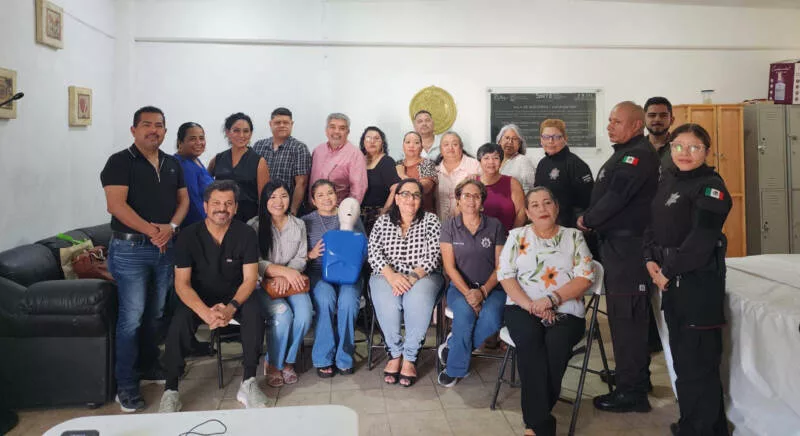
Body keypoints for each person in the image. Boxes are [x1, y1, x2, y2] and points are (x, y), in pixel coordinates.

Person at [643, 123, 731, 436]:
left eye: (694, 147)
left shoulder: (712, 187)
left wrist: (667, 270)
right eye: (678, 146)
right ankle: (694, 424)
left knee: (700, 365)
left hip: (697, 287)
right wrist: (650, 261)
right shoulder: (668, 181)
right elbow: (652, 226)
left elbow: (701, 240)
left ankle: (706, 429)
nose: (684, 153)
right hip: (670, 283)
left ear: (706, 152)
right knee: (682, 361)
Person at [101, 106, 189, 412]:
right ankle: (126, 384)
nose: (154, 130)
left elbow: (184, 200)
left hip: (164, 248)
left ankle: (151, 366)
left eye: (159, 125)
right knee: (132, 317)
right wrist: (154, 230)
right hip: (130, 251)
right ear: (134, 129)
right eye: (147, 125)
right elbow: (116, 205)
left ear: (165, 131)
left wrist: (172, 227)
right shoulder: (119, 162)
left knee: (157, 313)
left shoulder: (171, 163)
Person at [578, 101, 660, 413]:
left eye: (617, 121)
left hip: (629, 250)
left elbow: (616, 198)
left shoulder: (636, 156)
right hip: (617, 247)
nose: (610, 126)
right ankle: (633, 376)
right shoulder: (626, 152)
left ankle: (632, 392)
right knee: (624, 318)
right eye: (609, 120)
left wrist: (588, 219)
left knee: (628, 320)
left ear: (637, 125)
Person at [158, 180, 268, 412]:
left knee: (255, 312)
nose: (222, 208)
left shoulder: (245, 233)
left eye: (228, 203)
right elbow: (182, 284)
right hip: (198, 298)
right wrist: (205, 313)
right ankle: (171, 389)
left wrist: (231, 307)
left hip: (235, 295)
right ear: (206, 206)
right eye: (216, 203)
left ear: (236, 207)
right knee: (178, 321)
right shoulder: (188, 236)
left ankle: (248, 381)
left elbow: (250, 280)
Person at [498, 187, 596, 436]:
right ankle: (541, 424)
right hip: (522, 306)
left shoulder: (574, 236)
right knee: (530, 340)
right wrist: (533, 305)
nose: (542, 209)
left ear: (556, 207)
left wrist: (551, 299)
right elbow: (506, 276)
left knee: (556, 343)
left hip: (566, 308)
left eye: (547, 203)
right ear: (528, 212)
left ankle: (535, 424)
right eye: (535, 205)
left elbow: (585, 277)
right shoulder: (516, 236)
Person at [368, 179, 444, 387]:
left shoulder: (431, 220)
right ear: (397, 198)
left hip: (423, 275)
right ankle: (394, 353)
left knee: (416, 300)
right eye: (405, 194)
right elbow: (373, 252)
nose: (410, 199)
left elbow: (434, 255)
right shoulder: (383, 221)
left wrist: (411, 278)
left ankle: (410, 356)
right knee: (389, 302)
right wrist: (391, 276)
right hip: (386, 274)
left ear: (421, 199)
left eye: (416, 195)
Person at [437, 179, 507, 387]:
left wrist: (483, 291)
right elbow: (449, 267)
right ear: (458, 200)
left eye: (476, 196)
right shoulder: (449, 227)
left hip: (492, 287)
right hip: (460, 288)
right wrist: (469, 293)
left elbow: (500, 266)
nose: (471, 200)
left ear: (482, 202)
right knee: (465, 316)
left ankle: (453, 348)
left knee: (493, 318)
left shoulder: (495, 226)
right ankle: (455, 369)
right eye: (466, 195)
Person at [249, 181, 313, 387]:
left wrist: (286, 276)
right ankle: (273, 364)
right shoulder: (254, 226)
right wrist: (278, 273)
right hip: (263, 285)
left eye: (284, 196)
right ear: (265, 200)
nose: (279, 201)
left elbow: (302, 257)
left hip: (291, 282)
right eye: (273, 196)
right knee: (283, 315)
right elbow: (254, 261)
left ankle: (287, 361)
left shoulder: (299, 225)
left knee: (304, 315)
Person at [301, 179, 366, 377]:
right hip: (319, 274)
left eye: (329, 193)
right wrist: (310, 255)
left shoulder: (350, 214)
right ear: (313, 200)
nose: (326, 198)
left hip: (350, 274)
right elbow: (297, 255)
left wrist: (354, 256)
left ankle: (344, 355)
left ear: (336, 195)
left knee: (347, 302)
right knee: (325, 299)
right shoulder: (306, 221)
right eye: (320, 195)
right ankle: (323, 356)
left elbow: (365, 248)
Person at [209, 112, 270, 222]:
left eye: (246, 131)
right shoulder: (218, 159)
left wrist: (262, 224)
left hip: (248, 222)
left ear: (250, 133)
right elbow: (206, 188)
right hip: (220, 220)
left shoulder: (259, 162)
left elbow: (264, 200)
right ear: (228, 132)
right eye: (236, 130)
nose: (241, 135)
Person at [533, 119, 594, 228]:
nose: (550, 141)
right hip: (544, 225)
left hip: (569, 227)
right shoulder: (542, 163)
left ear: (565, 138)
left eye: (556, 137)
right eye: (546, 137)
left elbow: (587, 202)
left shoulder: (577, 165)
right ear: (541, 140)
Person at [252, 107, 312, 216]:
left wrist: (292, 212)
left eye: (285, 122)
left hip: (285, 208)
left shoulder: (299, 148)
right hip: (260, 208)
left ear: (291, 124)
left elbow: (301, 183)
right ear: (270, 124)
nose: (282, 125)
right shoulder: (258, 146)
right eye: (277, 122)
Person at [309, 113, 367, 204]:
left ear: (348, 132)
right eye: (332, 127)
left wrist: (346, 213)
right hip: (313, 210)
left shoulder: (355, 154)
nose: (336, 131)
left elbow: (358, 190)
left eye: (342, 128)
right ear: (326, 130)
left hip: (338, 212)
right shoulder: (317, 151)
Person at [476, 142, 526, 231]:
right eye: (486, 158)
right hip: (478, 239)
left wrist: (512, 236)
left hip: (507, 238)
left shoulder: (512, 183)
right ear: (480, 162)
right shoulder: (472, 184)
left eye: (495, 158)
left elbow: (521, 212)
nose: (491, 162)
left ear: (501, 161)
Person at [360, 126, 400, 234]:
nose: (372, 141)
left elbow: (395, 188)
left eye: (376, 138)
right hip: (357, 216)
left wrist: (385, 211)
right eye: (368, 138)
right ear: (363, 142)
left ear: (382, 143)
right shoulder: (358, 161)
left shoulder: (386, 161)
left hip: (379, 216)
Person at [174, 122, 214, 228]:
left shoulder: (195, 160)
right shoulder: (183, 165)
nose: (199, 142)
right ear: (180, 142)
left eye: (201, 138)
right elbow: (193, 202)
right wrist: (211, 226)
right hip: (197, 227)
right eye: (192, 139)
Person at [436, 131, 481, 222]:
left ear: (461, 146)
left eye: (455, 144)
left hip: (469, 223)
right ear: (441, 149)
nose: (450, 148)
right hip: (441, 225)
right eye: (446, 145)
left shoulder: (474, 165)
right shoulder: (435, 170)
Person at [396, 131, 437, 214]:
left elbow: (423, 189)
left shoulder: (426, 163)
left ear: (421, 147)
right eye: (408, 142)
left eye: (416, 143)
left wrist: (403, 176)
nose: (411, 145)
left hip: (423, 214)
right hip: (400, 214)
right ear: (403, 146)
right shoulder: (398, 164)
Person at [497, 124, 536, 193]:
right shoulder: (493, 160)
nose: (510, 142)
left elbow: (530, 190)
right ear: (499, 141)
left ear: (519, 144)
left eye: (514, 139)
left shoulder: (523, 161)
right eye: (507, 138)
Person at [644, 96, 676, 171]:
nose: (657, 119)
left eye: (663, 115)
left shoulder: (681, 148)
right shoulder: (634, 148)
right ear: (644, 119)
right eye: (652, 115)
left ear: (672, 120)